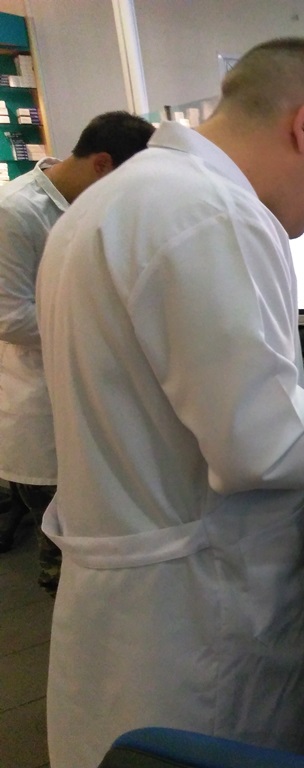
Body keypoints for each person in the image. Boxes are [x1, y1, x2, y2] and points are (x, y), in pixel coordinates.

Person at [36, 38, 304, 768]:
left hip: (134, 597)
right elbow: (260, 449)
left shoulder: (122, 196)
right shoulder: (216, 214)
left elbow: (166, 401)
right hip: (193, 618)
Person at [0, 111, 155, 596]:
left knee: (95, 550)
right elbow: (8, 317)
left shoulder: (87, 203)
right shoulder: (15, 213)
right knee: (70, 563)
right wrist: (108, 327)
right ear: (102, 164)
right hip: (42, 408)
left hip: (93, 400)